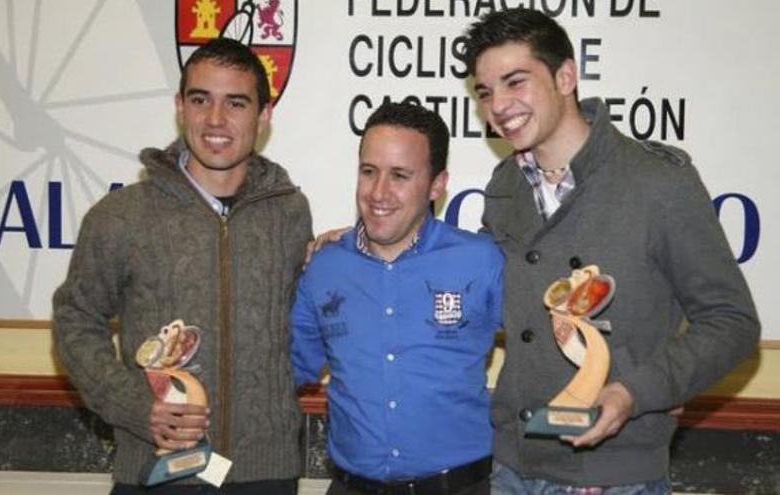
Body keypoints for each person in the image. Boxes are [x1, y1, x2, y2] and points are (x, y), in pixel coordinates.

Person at [461, 9, 760, 493]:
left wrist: (636, 392)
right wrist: (365, 239)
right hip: (513, 469)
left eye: (515, 82)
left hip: (613, 475)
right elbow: (489, 296)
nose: (499, 105)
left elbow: (732, 321)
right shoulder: (505, 185)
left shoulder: (658, 181)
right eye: (485, 92)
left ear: (566, 76)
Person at [52, 38, 312, 495]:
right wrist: (134, 404)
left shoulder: (290, 213)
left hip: (265, 475)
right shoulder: (122, 215)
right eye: (200, 100)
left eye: (236, 103)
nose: (215, 120)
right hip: (157, 471)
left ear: (264, 115)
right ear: (179, 106)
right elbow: (75, 318)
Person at [291, 102, 504, 495]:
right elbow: (283, 372)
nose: (378, 193)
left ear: (438, 184)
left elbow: (549, 346)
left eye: (400, 176)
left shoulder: (482, 261)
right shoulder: (324, 267)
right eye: (369, 171)